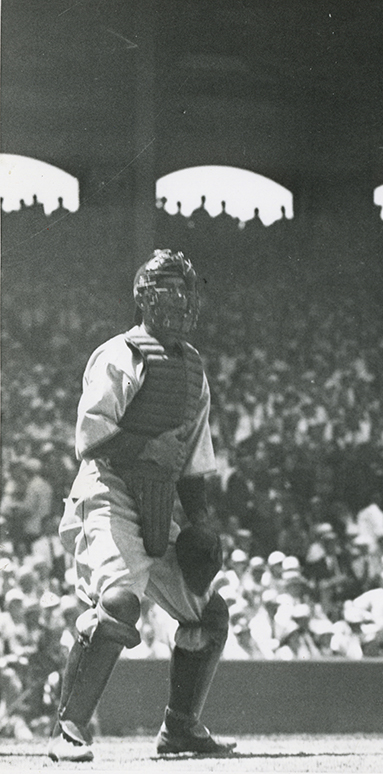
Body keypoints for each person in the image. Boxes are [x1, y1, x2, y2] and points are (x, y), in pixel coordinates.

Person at [48, 250, 236, 762]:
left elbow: (196, 463)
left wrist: (202, 523)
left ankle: (181, 728)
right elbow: (90, 439)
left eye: (185, 292)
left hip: (157, 500)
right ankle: (69, 730)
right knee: (119, 605)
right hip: (107, 489)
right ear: (143, 298)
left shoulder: (193, 370)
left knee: (209, 614)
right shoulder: (117, 355)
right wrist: (147, 446)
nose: (178, 302)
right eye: (166, 292)